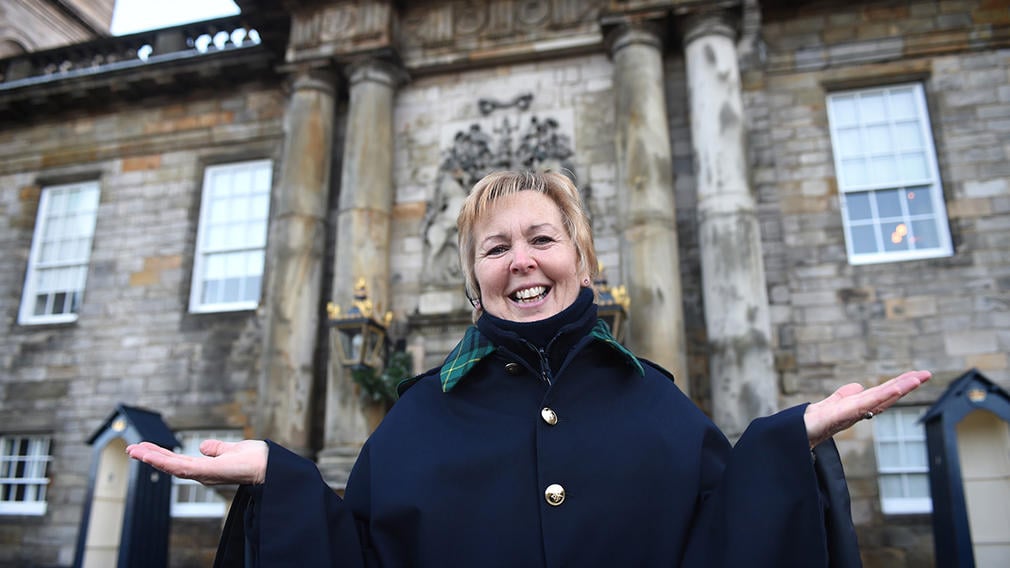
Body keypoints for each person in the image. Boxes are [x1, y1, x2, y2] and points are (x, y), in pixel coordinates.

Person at [128, 170, 930, 567]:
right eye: (496, 247)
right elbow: (361, 558)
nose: (523, 262)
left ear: (581, 257)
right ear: (473, 278)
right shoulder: (417, 414)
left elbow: (721, 541)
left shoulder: (653, 398)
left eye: (543, 239)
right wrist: (282, 477)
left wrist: (788, 442)